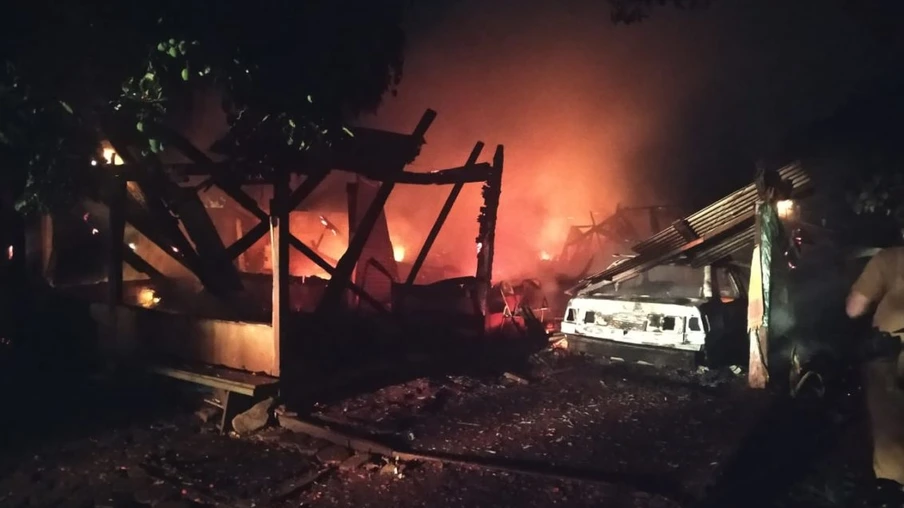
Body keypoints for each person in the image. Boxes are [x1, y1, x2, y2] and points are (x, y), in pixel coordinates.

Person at [847, 246, 904, 506]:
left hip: (892, 353)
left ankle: (893, 490)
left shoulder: (890, 259)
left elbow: (854, 308)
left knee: (888, 422)